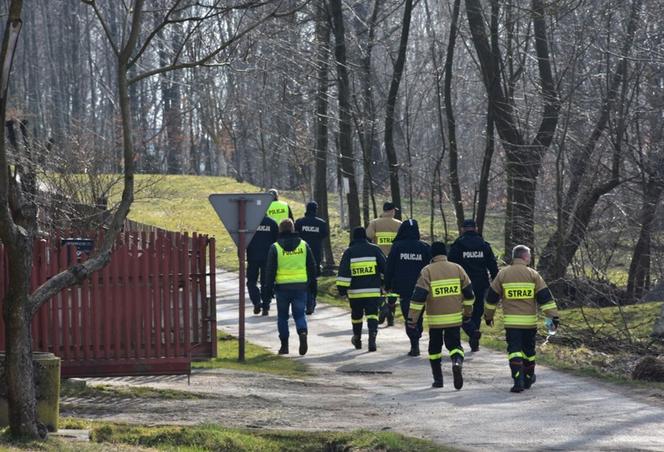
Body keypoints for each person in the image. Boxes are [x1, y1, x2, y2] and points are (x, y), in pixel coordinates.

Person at [484, 245, 560, 393]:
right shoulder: (533, 275)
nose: (530, 258)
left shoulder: (503, 275)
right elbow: (545, 299)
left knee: (514, 351)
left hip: (512, 323)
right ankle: (528, 376)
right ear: (525, 257)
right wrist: (553, 317)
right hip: (529, 323)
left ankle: (517, 379)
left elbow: (491, 298)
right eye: (529, 256)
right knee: (529, 352)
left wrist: (488, 316)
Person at [408, 242, 475, 389]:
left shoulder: (427, 271)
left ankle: (438, 380)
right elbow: (470, 294)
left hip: (435, 319)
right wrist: (467, 313)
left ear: (432, 255)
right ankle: (457, 362)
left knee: (434, 349)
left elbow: (419, 297)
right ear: (445, 253)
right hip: (455, 318)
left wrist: (412, 319)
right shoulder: (457, 268)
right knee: (455, 346)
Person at [264, 219, 317, 356]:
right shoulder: (304, 245)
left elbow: (270, 271)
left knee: (282, 317)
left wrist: (267, 289)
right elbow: (312, 267)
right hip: (301, 286)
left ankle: (284, 346)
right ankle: (302, 332)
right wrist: (312, 286)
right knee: (299, 314)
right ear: (293, 229)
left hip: (282, 288)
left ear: (280, 230)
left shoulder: (275, 247)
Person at [449, 219, 499, 352]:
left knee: (461, 312)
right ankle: (474, 336)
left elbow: (451, 266)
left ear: (462, 229)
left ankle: (472, 332)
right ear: (476, 228)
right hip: (481, 285)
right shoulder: (484, 245)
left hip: (462, 286)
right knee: (477, 312)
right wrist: (497, 284)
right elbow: (493, 266)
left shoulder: (457, 246)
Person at [385, 219, 431, 356]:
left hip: (403, 289)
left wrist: (387, 285)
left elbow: (389, 268)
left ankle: (414, 342)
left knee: (409, 317)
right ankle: (417, 335)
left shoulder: (397, 247)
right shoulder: (425, 247)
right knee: (419, 315)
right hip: (421, 289)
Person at [336, 227, 386, 352]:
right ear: (365, 237)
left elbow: (344, 271)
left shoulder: (349, 252)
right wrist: (386, 284)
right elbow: (385, 268)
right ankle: (372, 337)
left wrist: (342, 289)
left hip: (355, 293)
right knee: (372, 315)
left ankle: (357, 337)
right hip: (372, 292)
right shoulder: (375, 249)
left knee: (356, 316)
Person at [366, 202, 402, 326]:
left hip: (378, 260)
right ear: (392, 211)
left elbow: (368, 237)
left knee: (380, 286)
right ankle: (391, 313)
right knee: (392, 288)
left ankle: (383, 307)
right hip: (394, 262)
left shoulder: (374, 223)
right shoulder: (399, 224)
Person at [295, 201, 329, 315]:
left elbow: (295, 234)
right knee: (313, 279)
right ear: (316, 210)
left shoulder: (299, 222)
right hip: (315, 254)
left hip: (300, 254)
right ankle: (311, 301)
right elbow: (324, 235)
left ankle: (304, 301)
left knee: (302, 278)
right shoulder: (321, 223)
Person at [246, 215, 279, 315]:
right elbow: (277, 241)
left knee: (251, 282)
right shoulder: (272, 223)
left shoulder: (250, 222)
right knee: (266, 282)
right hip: (268, 258)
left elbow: (243, 239)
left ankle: (256, 302)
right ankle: (265, 305)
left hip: (253, 256)